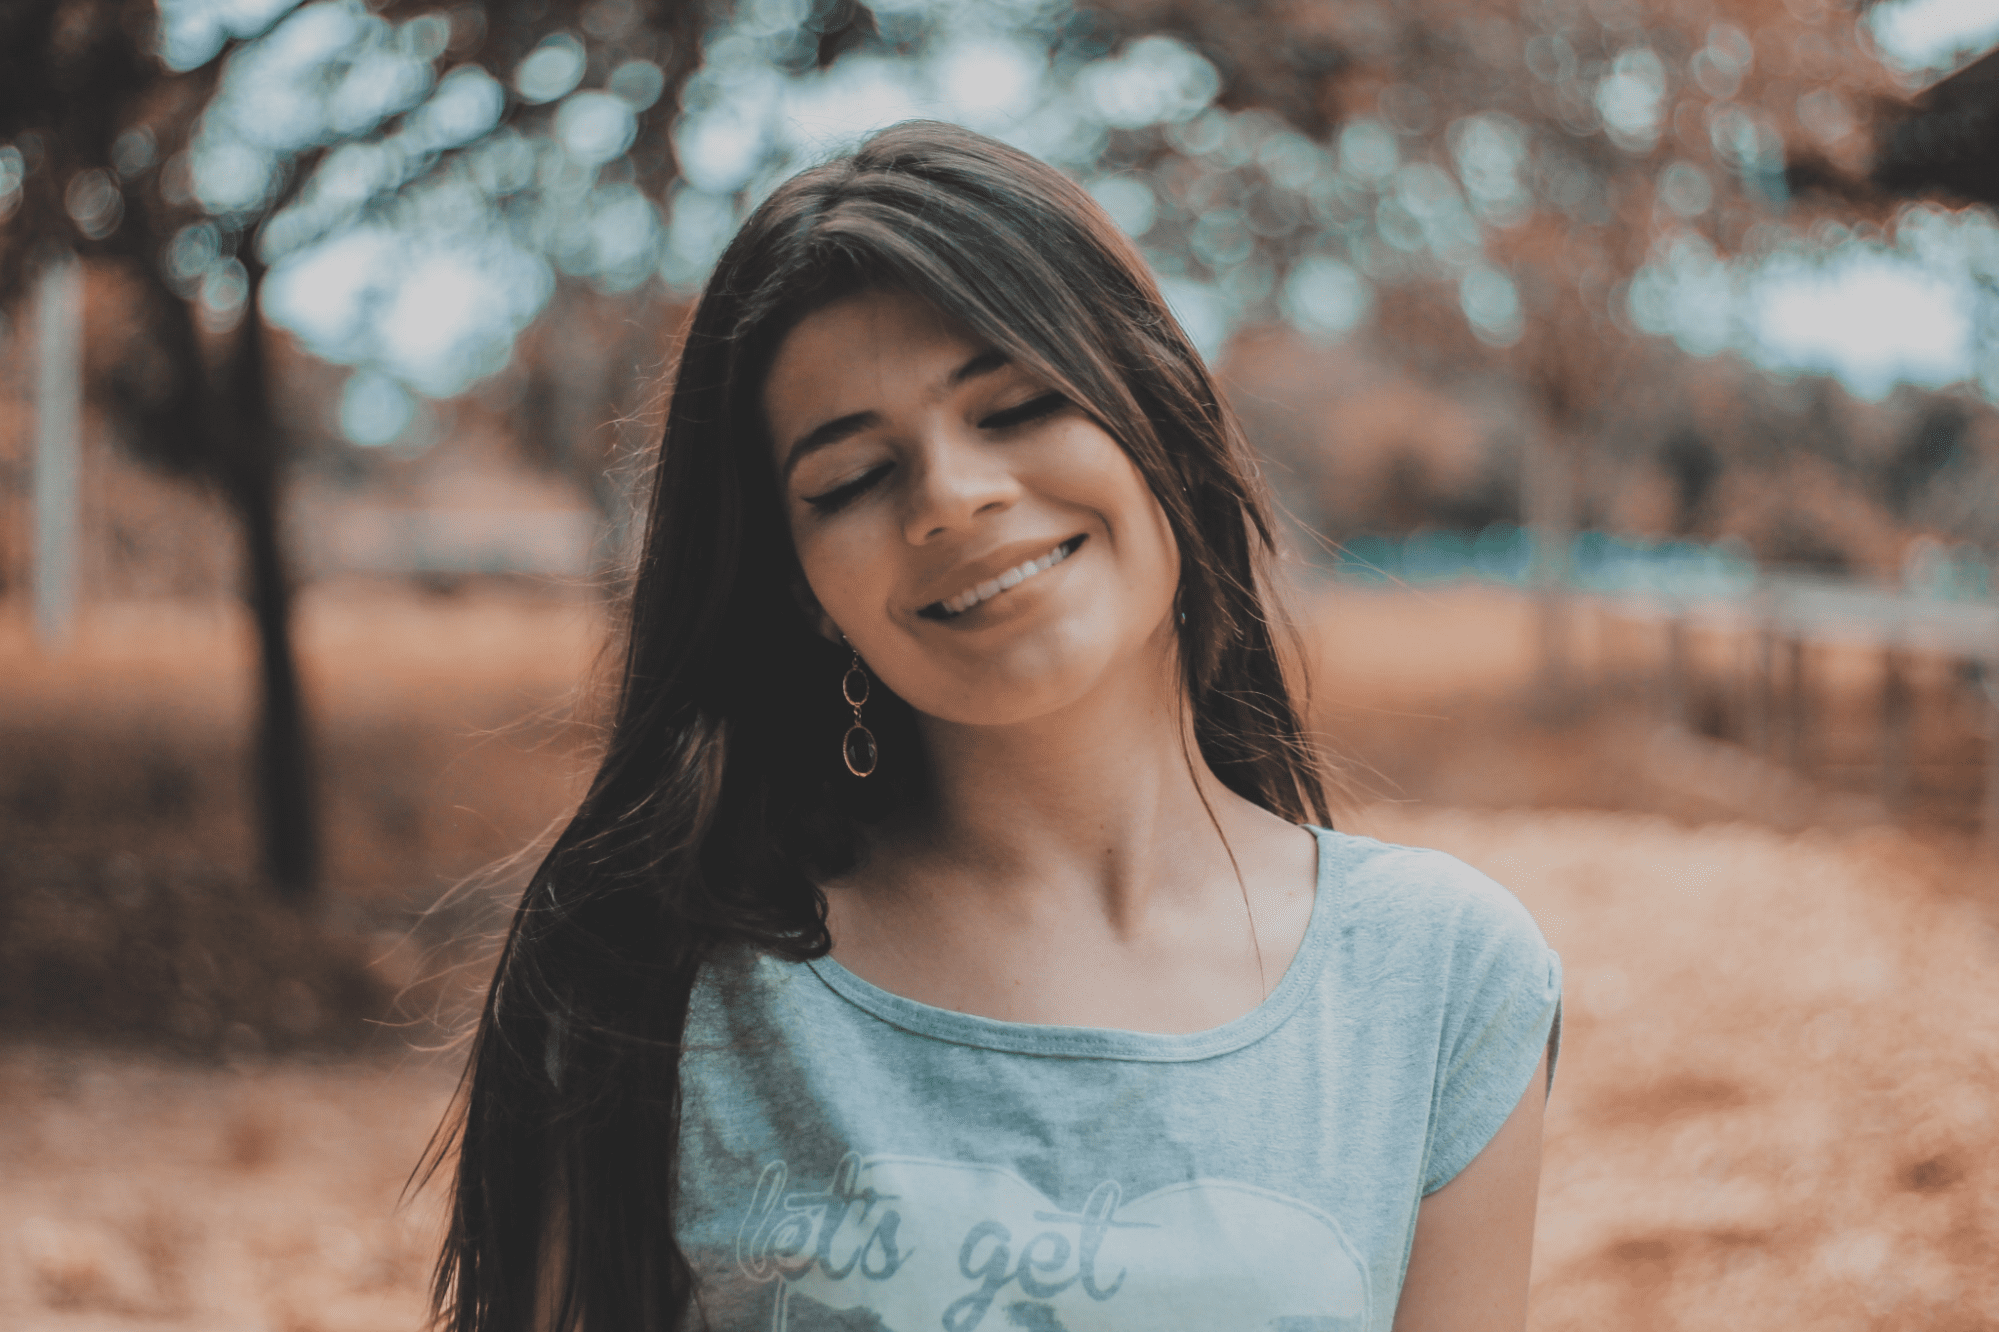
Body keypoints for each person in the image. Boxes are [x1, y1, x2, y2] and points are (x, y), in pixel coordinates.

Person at [429, 120, 1561, 1333]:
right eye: (852, 479)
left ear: (1159, 424)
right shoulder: (649, 977)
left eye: (1015, 406)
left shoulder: (1439, 976)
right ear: (802, 592)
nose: (952, 496)